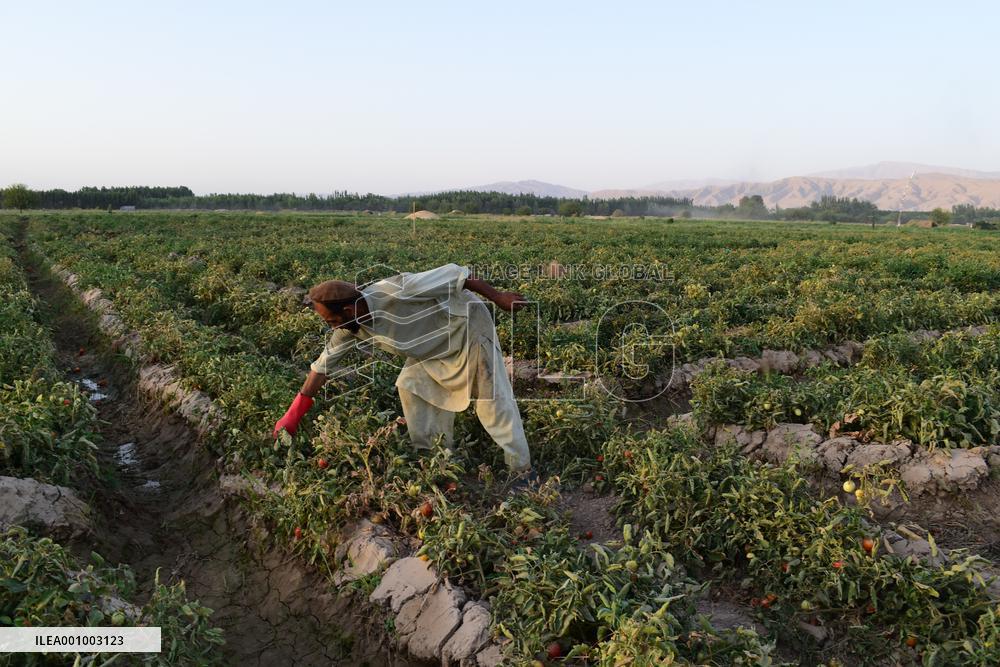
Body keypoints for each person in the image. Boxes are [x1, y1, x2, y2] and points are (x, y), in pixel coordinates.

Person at [273, 263, 537, 489]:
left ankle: (521, 470)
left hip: (468, 327)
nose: (330, 327)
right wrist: (294, 413)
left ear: (348, 310)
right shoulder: (348, 327)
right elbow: (321, 368)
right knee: (411, 386)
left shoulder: (395, 290)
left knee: (491, 400)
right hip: (434, 346)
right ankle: (437, 461)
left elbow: (457, 274)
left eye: (330, 321)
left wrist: (499, 297)